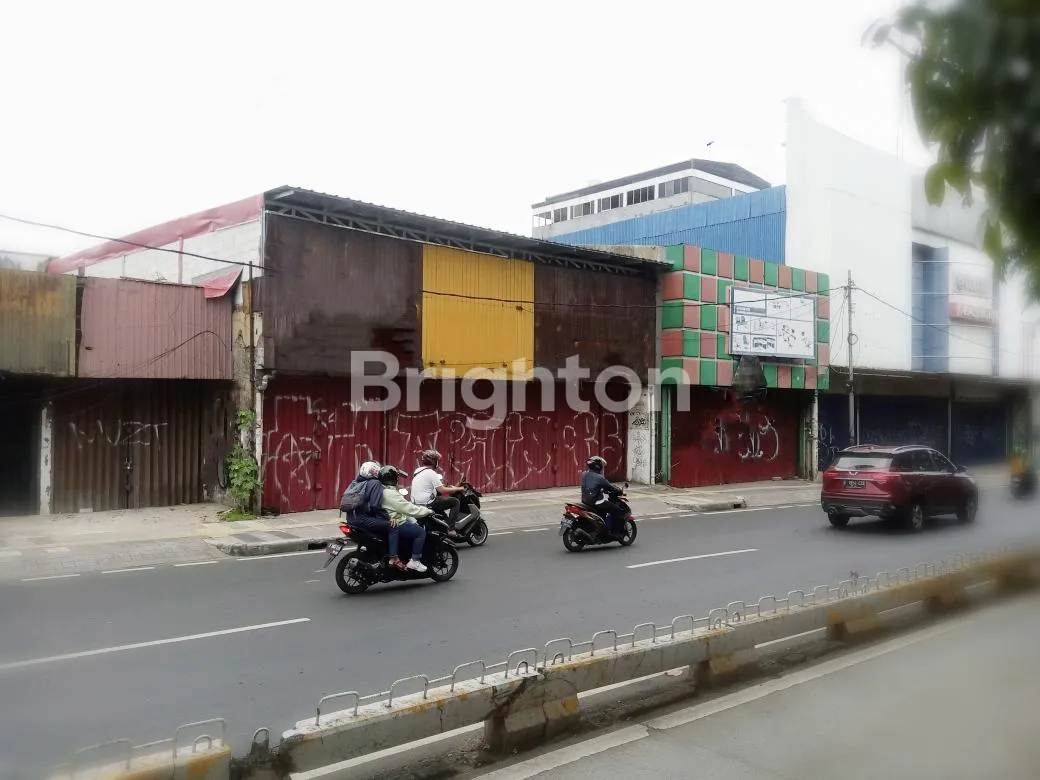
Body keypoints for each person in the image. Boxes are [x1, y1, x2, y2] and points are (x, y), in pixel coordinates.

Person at [377, 465, 433, 572]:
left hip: (386, 520)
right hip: (397, 522)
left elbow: (403, 509)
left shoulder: (381, 490)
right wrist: (427, 511)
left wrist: (414, 521)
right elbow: (408, 509)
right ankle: (415, 561)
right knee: (420, 532)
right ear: (393, 479)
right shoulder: (391, 493)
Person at [410, 450, 465, 534]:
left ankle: (444, 524)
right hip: (427, 503)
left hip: (416, 503)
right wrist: (458, 488)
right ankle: (451, 529)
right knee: (455, 502)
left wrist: (446, 487)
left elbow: (428, 485)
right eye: (437, 461)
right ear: (434, 462)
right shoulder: (431, 473)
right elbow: (442, 490)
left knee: (440, 502)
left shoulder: (417, 471)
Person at [580, 455, 627, 539]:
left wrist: (602, 489)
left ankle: (601, 528)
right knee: (617, 510)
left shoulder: (584, 474)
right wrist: (620, 491)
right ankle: (616, 532)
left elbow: (593, 486)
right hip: (596, 502)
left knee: (604, 511)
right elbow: (610, 488)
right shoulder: (600, 478)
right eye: (601, 465)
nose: (602, 467)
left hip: (585, 501)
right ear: (598, 466)